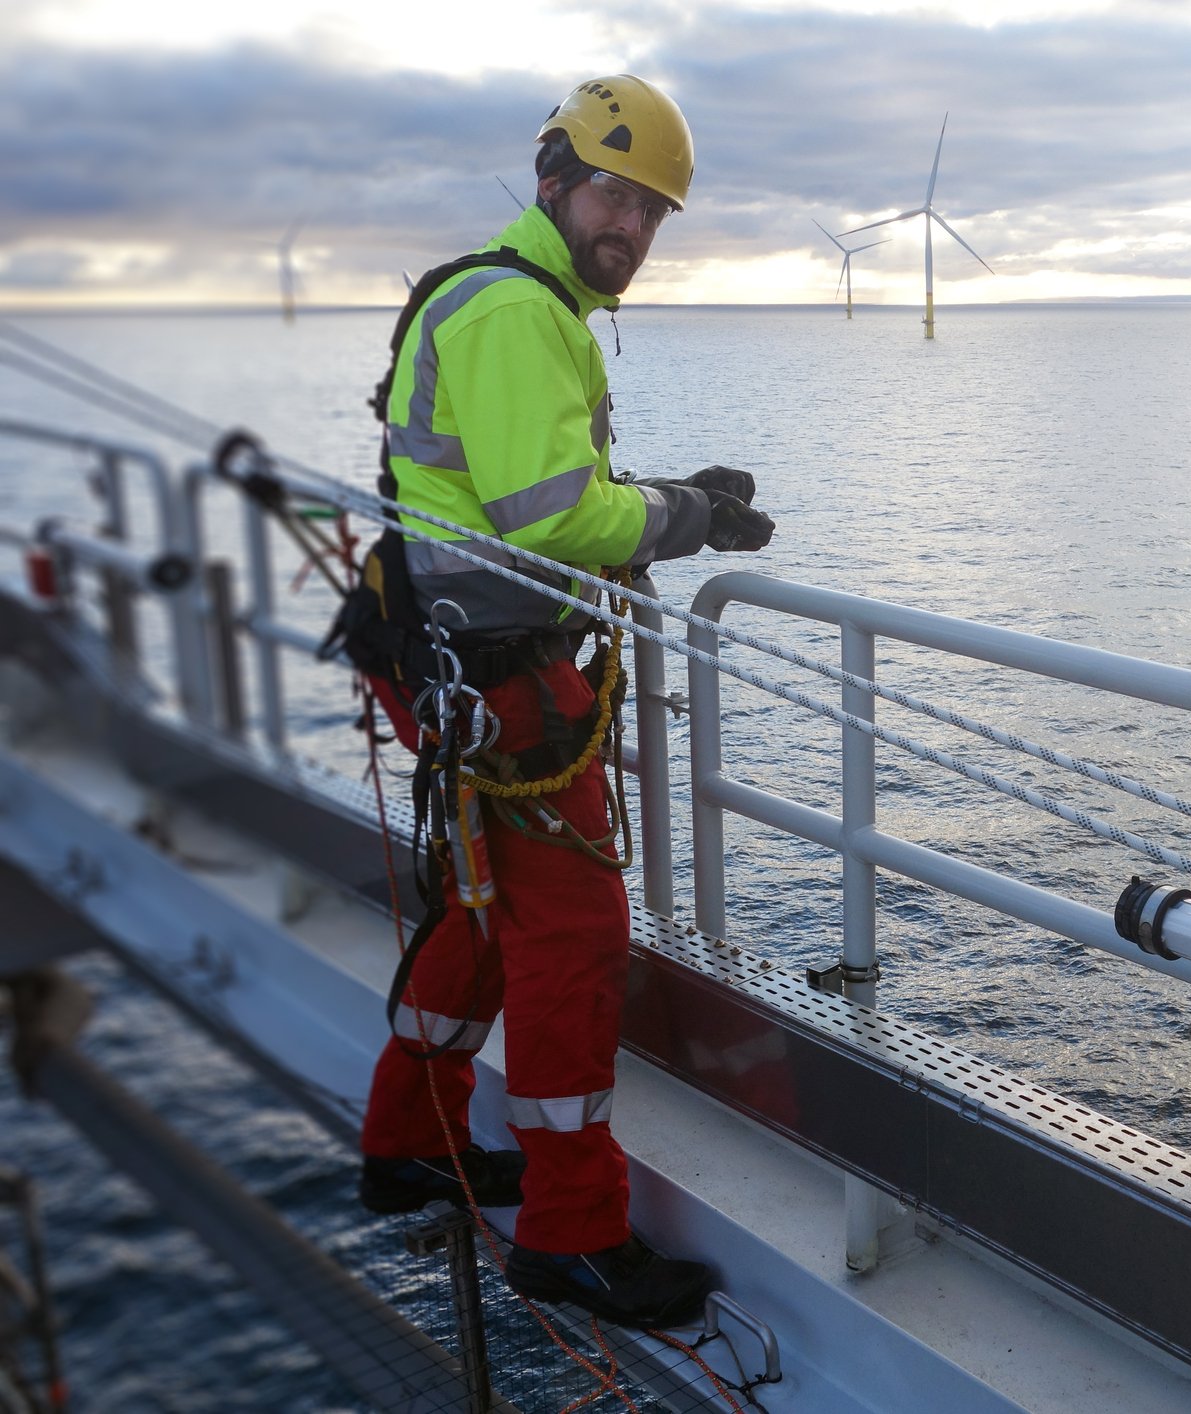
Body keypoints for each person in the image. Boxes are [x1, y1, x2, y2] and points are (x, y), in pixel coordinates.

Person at [353, 74, 773, 1331]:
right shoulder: (516, 312)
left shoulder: (512, 304)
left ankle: (410, 1143)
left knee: (485, 916)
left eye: (651, 211)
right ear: (553, 180)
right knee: (575, 936)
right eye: (612, 192)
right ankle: (573, 1234)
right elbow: (553, 517)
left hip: (459, 661)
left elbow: (524, 493)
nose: (630, 227)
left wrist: (648, 495)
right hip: (497, 681)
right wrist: (685, 514)